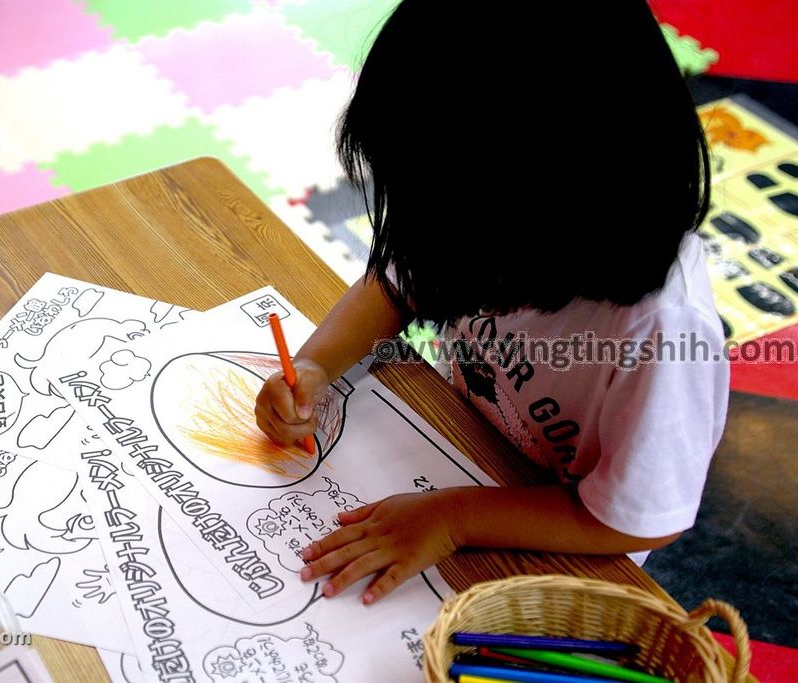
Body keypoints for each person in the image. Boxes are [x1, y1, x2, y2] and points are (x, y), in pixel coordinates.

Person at [253, 0, 728, 606]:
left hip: (562, 546)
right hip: (458, 449)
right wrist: (317, 365)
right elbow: (397, 285)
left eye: (452, 220)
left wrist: (454, 518)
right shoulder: (486, 222)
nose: (435, 238)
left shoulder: (661, 331)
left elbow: (638, 518)